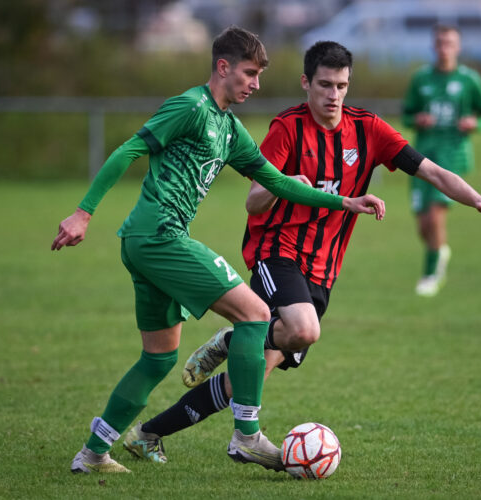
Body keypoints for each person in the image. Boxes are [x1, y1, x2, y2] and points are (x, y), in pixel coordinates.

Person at [120, 41, 481, 464]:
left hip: (323, 271)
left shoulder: (368, 129)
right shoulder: (287, 128)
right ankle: (237, 349)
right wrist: (284, 183)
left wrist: (476, 200)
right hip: (277, 252)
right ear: (306, 82)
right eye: (325, 84)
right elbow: (252, 202)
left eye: (342, 85)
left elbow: (430, 169)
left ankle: (148, 433)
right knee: (304, 330)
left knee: (249, 374)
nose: (334, 95)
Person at [52, 26, 386, 474]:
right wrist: (83, 213)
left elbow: (279, 182)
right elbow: (127, 150)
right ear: (223, 67)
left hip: (146, 243)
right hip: (160, 237)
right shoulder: (190, 107)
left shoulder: (229, 129)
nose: (256, 84)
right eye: (249, 74)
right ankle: (247, 436)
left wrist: (345, 201)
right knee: (255, 314)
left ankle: (93, 454)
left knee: (159, 358)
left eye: (259, 76)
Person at [403, 25, 481, 297]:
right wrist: (417, 120)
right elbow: (407, 114)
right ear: (434, 46)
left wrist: (475, 123)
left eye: (450, 43)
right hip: (422, 156)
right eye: (440, 43)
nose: (444, 48)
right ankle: (439, 251)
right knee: (423, 225)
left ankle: (431, 275)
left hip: (453, 156)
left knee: (434, 216)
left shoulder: (469, 79)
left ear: (458, 47)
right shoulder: (421, 78)